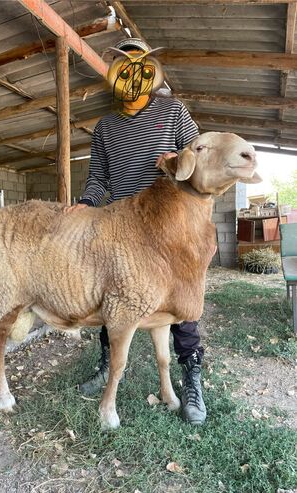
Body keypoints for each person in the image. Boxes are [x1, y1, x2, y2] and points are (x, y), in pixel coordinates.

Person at [67, 38, 206, 425]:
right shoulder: (105, 127)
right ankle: (104, 365)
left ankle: (191, 378)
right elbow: (99, 178)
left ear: (150, 70)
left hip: (169, 224)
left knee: (182, 303)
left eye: (138, 63)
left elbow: (198, 153)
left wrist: (180, 159)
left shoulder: (173, 110)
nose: (130, 72)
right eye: (123, 63)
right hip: (124, 228)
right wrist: (86, 203)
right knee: (112, 296)